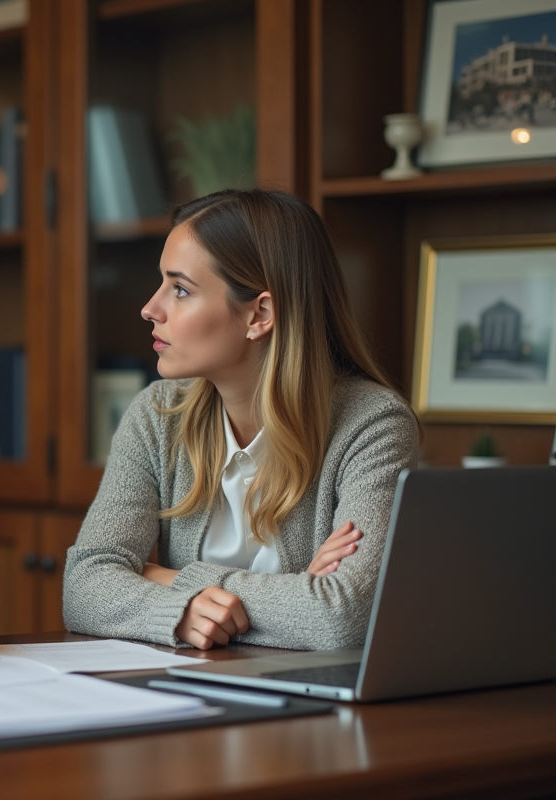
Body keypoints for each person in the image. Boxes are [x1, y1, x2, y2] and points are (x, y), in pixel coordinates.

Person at [63, 189, 418, 651]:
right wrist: (295, 592)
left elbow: (343, 617)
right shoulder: (157, 415)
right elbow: (83, 587)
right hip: (193, 694)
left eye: (181, 289)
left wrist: (166, 579)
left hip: (315, 710)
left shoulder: (373, 426)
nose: (150, 308)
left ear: (260, 315)